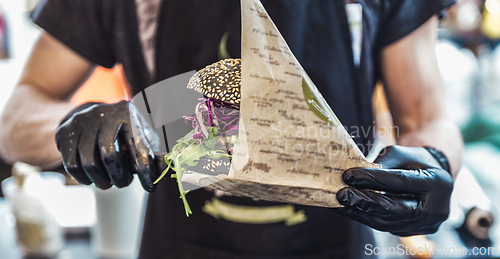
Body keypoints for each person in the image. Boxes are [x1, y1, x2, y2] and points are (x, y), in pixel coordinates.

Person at [0, 0, 463, 258]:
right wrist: (83, 129)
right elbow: (17, 118)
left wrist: (435, 163)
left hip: (336, 244)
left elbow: (428, 118)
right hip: (180, 245)